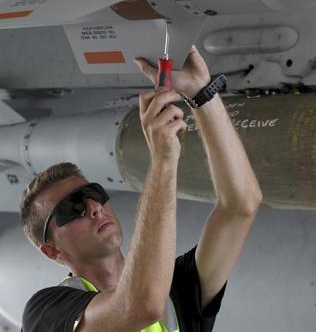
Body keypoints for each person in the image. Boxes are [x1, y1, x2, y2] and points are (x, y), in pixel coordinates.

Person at [20, 46, 262, 332]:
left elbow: (241, 205)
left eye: (93, 194)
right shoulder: (46, 312)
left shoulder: (178, 288)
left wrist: (202, 94)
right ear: (52, 252)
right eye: (72, 208)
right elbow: (140, 307)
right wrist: (163, 158)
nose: (93, 207)